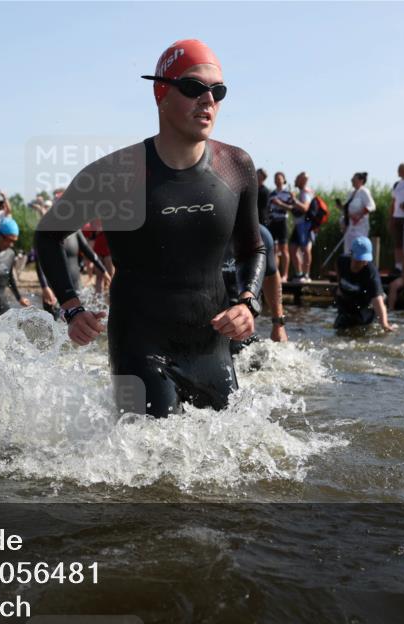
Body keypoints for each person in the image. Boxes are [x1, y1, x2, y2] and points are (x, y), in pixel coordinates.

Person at [35, 39, 265, 418]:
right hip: (139, 349)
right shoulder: (116, 174)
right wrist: (71, 308)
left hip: (211, 351)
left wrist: (247, 302)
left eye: (218, 91)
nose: (208, 100)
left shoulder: (236, 166)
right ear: (161, 92)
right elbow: (48, 235)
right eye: (193, 88)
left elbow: (252, 249)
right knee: (145, 468)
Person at [36, 228, 108, 318]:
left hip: (76, 286)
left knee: (77, 321)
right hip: (55, 289)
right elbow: (39, 262)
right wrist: (45, 287)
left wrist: (104, 271)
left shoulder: (76, 232)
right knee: (55, 321)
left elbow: (89, 252)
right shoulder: (48, 231)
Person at [334, 236, 396, 332]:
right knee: (339, 328)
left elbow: (377, 300)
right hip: (346, 301)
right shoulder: (342, 261)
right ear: (351, 255)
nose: (361, 263)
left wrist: (384, 324)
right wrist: (340, 287)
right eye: (358, 260)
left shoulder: (370, 272)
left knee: (362, 330)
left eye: (364, 260)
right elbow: (339, 274)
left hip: (365, 304)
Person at [339, 172, 376, 257]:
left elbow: (372, 206)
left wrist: (359, 215)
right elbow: (346, 209)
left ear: (361, 181)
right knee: (348, 251)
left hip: (360, 228)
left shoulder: (364, 191)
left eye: (354, 179)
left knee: (358, 251)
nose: (352, 181)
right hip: (349, 227)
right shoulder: (351, 193)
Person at [289, 171, 314, 281]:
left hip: (305, 224)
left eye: (297, 178)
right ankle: (299, 274)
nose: (295, 180)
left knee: (305, 249)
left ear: (302, 180)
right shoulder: (301, 192)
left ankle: (306, 274)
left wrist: (294, 200)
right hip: (298, 224)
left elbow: (305, 208)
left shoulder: (305, 192)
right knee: (293, 248)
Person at [267, 171, 293, 280]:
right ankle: (275, 273)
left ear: (283, 180)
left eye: (279, 178)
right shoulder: (271, 194)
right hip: (273, 222)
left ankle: (285, 275)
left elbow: (292, 208)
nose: (277, 180)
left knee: (284, 249)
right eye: (275, 178)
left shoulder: (288, 193)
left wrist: (280, 204)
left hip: (282, 222)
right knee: (274, 249)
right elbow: (268, 209)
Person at [389, 163, 404, 271]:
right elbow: (393, 201)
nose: (398, 171)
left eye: (401, 169)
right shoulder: (397, 184)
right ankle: (398, 266)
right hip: (397, 216)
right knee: (397, 242)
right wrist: (390, 218)